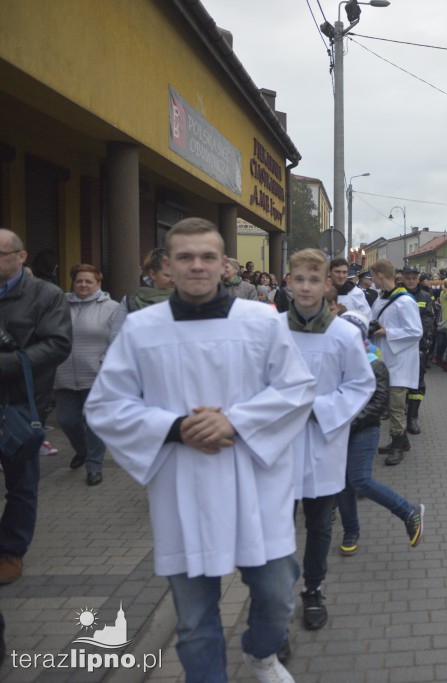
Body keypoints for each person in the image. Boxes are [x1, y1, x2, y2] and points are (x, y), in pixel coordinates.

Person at [84, 218, 316, 681]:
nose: (197, 266)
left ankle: (260, 653)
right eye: (185, 257)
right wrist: (176, 427)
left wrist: (233, 420)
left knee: (276, 598)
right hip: (182, 483)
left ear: (225, 265)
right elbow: (107, 405)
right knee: (193, 623)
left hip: (255, 481)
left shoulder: (261, 321)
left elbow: (297, 389)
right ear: (166, 266)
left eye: (208, 257)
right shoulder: (142, 328)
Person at [282, 249, 374, 631]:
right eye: (298, 279)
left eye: (313, 280)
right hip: (278, 445)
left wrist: (317, 409)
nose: (305, 287)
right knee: (279, 528)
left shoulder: (344, 334)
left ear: (327, 285)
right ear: (288, 282)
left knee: (319, 525)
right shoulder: (271, 329)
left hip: (323, 441)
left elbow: (360, 384)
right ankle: (280, 598)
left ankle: (313, 588)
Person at [0, 229, 71, 584]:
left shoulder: (46, 295)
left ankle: (11, 550)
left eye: (1, 254)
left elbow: (57, 345)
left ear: (21, 257)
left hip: (21, 406)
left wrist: (7, 364)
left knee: (21, 483)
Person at [336, 310, 424, 559]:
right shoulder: (333, 359)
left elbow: (378, 403)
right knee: (343, 485)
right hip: (338, 429)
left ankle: (408, 511)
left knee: (360, 480)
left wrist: (349, 423)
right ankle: (351, 531)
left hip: (364, 429)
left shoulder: (374, 361)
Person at [54, 264, 119, 486]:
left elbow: (118, 340)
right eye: (79, 281)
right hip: (63, 374)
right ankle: (81, 450)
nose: (83, 285)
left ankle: (94, 466)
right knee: (67, 421)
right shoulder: (60, 305)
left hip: (96, 375)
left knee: (94, 423)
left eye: (88, 281)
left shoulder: (112, 308)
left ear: (98, 284)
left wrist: (106, 362)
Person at [370, 260, 422, 466]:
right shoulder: (380, 299)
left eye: (373, 276)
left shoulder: (404, 301)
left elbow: (416, 331)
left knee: (396, 406)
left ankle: (398, 445)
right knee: (390, 405)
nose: (372, 280)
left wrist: (387, 332)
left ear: (380, 275)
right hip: (383, 358)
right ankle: (400, 441)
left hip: (399, 360)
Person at [399, 266, 433, 431]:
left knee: (417, 381)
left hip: (418, 345)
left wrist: (425, 342)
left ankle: (413, 417)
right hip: (398, 345)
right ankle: (398, 411)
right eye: (408, 278)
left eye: (414, 277)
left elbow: (428, 320)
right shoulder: (395, 295)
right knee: (398, 382)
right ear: (402, 278)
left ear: (418, 279)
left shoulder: (426, 296)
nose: (411, 280)